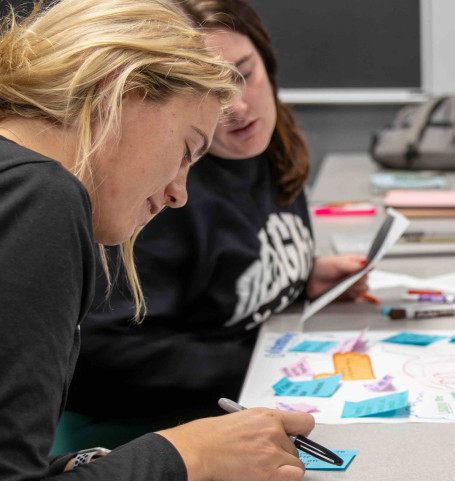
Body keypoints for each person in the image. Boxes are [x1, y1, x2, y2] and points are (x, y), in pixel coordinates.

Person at [0, 0, 319, 481]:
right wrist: (192, 450)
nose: (180, 192)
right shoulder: (40, 200)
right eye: (189, 151)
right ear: (122, 93)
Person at [59, 0, 370, 452]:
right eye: (216, 91)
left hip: (243, 398)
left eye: (246, 72)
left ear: (268, 59)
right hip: (145, 435)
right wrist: (259, 362)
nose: (240, 106)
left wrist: (303, 275)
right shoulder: (159, 191)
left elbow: (231, 269)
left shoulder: (267, 145)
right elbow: (104, 353)